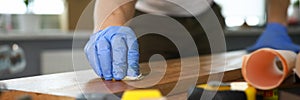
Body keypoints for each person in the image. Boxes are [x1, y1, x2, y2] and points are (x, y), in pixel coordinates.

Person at [84, 0, 300, 81]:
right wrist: (108, 27)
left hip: (206, 15)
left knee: (213, 89)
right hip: (149, 17)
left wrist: (277, 23)